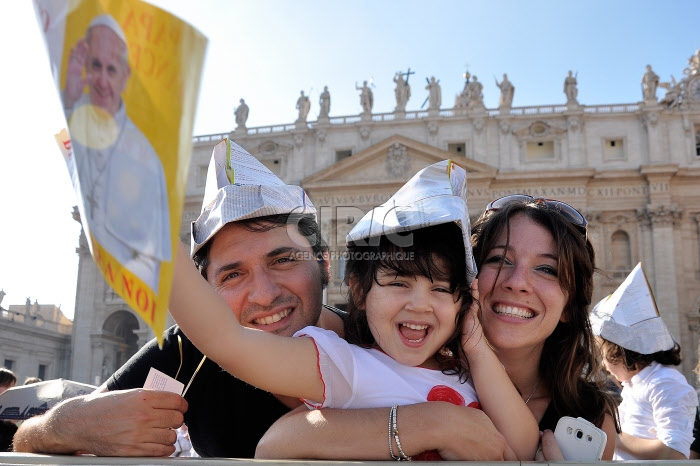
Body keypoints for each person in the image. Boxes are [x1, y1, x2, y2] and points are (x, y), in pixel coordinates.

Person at [13, 142, 512, 459]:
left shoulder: (395, 334)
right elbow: (14, 442)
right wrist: (62, 425)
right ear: (203, 290)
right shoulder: (185, 357)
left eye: (282, 260)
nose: (264, 293)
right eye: (232, 274)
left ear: (323, 264)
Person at [168, 160, 540, 460]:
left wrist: (475, 347)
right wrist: (150, 239)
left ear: (464, 302)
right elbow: (227, 341)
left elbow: (521, 446)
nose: (420, 303)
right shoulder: (345, 364)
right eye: (398, 283)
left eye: (441, 288)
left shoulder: (465, 373)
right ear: (359, 289)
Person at [257, 194, 620, 461]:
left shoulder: (588, 417)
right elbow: (277, 442)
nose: (517, 282)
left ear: (570, 307)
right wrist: (432, 423)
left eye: (547, 269)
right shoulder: (406, 358)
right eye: (498, 259)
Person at [62, 14, 170, 292]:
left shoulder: (146, 150)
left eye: (111, 69)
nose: (101, 80)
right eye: (94, 66)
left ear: (125, 77)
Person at [590, 263, 697, 460]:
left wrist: (611, 434)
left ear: (619, 351)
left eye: (603, 353)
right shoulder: (635, 385)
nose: (603, 365)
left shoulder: (665, 382)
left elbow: (674, 453)